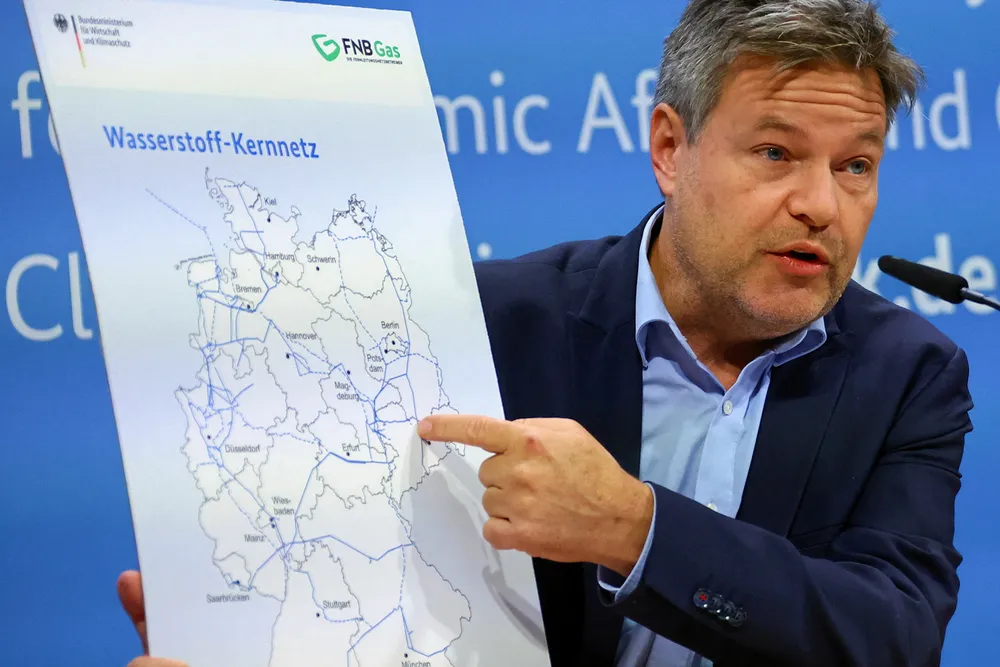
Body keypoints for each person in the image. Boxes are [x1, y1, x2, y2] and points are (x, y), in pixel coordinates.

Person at [117, 0, 974, 665]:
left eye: (855, 165)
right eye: (777, 153)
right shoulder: (485, 325)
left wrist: (636, 529)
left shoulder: (908, 371)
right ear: (669, 149)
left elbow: (892, 637)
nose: (822, 205)